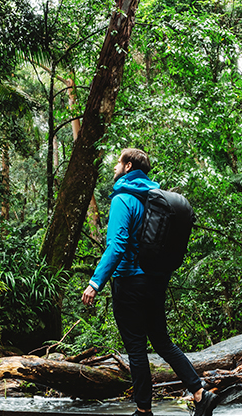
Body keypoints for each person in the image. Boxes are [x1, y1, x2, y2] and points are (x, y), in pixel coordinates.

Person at [82, 148, 218, 416]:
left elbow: (117, 244)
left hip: (129, 282)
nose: (114, 168)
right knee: (163, 342)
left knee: (136, 348)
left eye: (118, 163)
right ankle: (200, 393)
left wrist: (95, 282)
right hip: (155, 281)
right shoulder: (156, 199)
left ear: (129, 166)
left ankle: (144, 411)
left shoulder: (123, 199)